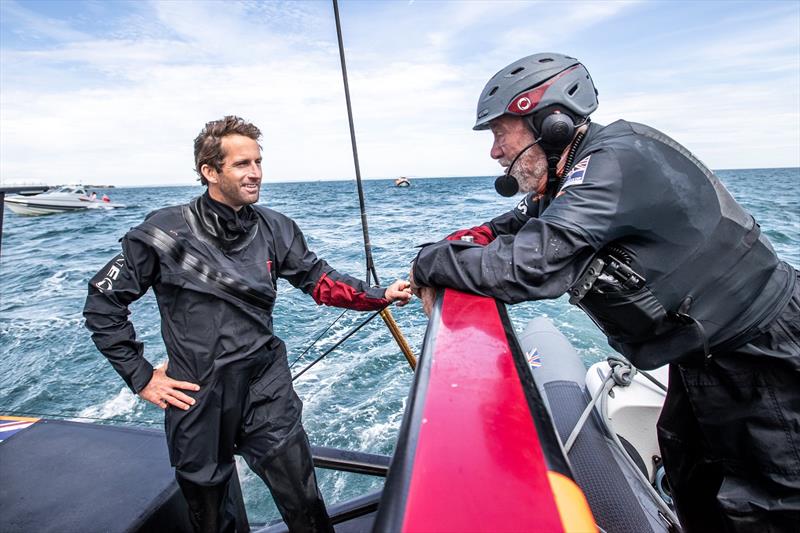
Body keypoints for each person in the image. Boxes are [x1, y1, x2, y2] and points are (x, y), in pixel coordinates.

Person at [411, 53, 799, 532]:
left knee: (771, 506)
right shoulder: (575, 169)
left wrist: (428, 261)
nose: (494, 152)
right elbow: (519, 222)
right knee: (691, 481)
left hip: (762, 356)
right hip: (705, 358)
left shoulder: (612, 161)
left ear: (548, 121)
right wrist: (469, 240)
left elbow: (531, 267)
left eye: (499, 133)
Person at [84, 115, 412, 533]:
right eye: (241, 164)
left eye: (258, 162)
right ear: (209, 171)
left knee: (303, 499)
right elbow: (103, 302)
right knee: (209, 511)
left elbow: (319, 280)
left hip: (265, 385)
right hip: (195, 394)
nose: (255, 172)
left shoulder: (276, 226)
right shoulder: (162, 231)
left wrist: (378, 295)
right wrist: (142, 376)